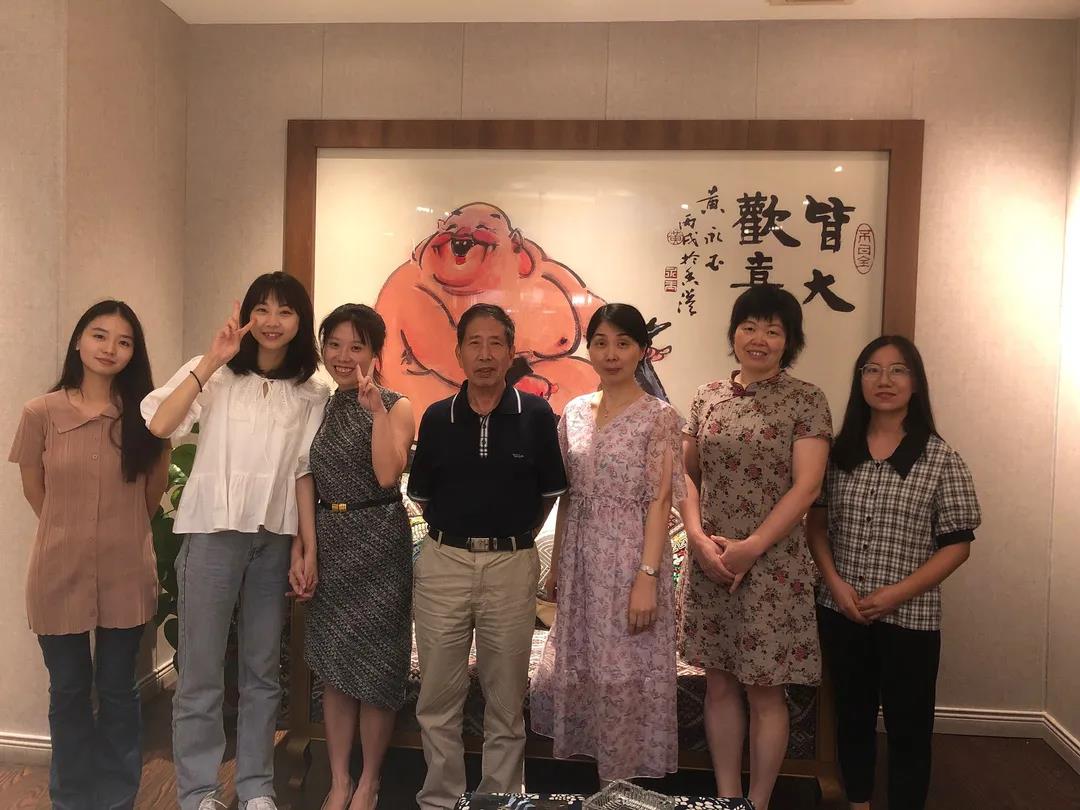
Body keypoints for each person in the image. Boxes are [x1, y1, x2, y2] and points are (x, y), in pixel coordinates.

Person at [141, 272, 328, 810]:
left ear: (300, 321)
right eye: (261, 309)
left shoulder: (313, 389)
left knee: (262, 673)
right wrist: (211, 360)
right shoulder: (217, 374)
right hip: (212, 534)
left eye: (285, 311)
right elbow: (159, 424)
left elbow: (305, 470)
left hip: (273, 540)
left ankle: (256, 789)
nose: (272, 321)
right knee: (200, 673)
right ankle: (198, 791)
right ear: (246, 315)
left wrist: (306, 544)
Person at [807, 336, 980, 810]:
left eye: (898, 369)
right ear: (859, 380)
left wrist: (894, 594)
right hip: (840, 610)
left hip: (911, 619)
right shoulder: (837, 454)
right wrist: (836, 585)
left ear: (916, 383)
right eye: (872, 369)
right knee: (852, 716)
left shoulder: (940, 458)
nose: (884, 380)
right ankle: (858, 802)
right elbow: (816, 528)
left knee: (909, 727)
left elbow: (957, 546)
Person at [407, 303, 568, 810]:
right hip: (444, 564)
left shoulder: (536, 415)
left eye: (496, 342)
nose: (484, 354)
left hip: (511, 566)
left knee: (505, 701)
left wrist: (512, 538)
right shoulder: (437, 417)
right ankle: (441, 800)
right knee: (437, 697)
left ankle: (499, 801)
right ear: (458, 352)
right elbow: (423, 496)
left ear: (511, 351)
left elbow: (550, 493)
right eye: (474, 343)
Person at [677, 285, 832, 810]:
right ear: (734, 333)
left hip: (773, 567)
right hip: (712, 560)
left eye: (773, 330)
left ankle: (759, 802)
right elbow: (686, 475)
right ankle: (728, 798)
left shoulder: (806, 400)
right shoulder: (707, 396)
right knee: (719, 684)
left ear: (790, 341)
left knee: (766, 689)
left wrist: (753, 546)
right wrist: (697, 538)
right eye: (749, 327)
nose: (758, 338)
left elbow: (807, 487)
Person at [9, 300, 167, 810]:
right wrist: (70, 531)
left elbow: (151, 495)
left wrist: (115, 531)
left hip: (126, 572)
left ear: (134, 353)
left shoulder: (147, 418)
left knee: (118, 689)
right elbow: (34, 488)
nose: (110, 349)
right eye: (99, 335)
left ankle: (118, 798)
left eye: (124, 341)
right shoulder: (40, 413)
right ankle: (72, 799)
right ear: (78, 340)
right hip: (58, 571)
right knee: (69, 690)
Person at [530, 303, 685, 782]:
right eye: (600, 342)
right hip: (581, 562)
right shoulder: (574, 412)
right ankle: (593, 789)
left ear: (642, 350)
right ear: (590, 349)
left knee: (625, 671)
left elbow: (660, 500)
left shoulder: (659, 416)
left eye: (623, 343)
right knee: (586, 666)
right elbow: (568, 495)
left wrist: (648, 577)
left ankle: (620, 789)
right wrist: (557, 565)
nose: (611, 353)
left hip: (631, 559)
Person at [294, 304, 414, 810]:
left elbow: (388, 475)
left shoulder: (397, 405)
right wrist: (307, 547)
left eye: (356, 346)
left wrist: (376, 412)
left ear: (375, 353)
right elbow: (304, 476)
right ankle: (339, 780)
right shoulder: (318, 405)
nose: (344, 357)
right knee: (336, 668)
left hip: (380, 541)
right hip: (332, 540)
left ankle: (369, 782)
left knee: (378, 668)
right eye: (334, 345)